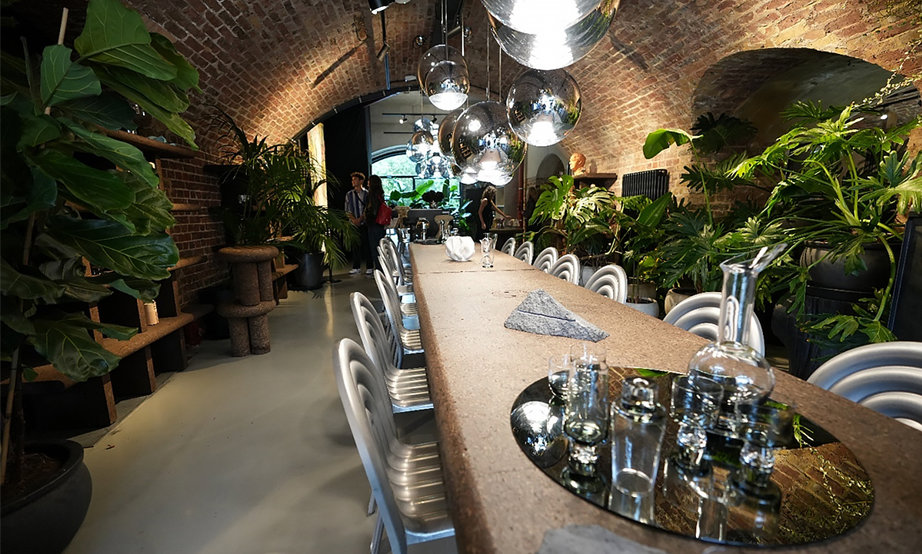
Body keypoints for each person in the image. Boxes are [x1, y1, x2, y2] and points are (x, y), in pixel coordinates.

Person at [344, 171, 372, 275]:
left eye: (355, 179)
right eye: (352, 180)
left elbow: (368, 209)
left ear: (361, 181)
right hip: (353, 224)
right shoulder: (349, 194)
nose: (353, 181)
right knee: (355, 246)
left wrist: (360, 219)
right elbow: (347, 210)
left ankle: (369, 266)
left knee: (366, 245)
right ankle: (356, 266)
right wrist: (354, 220)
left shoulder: (367, 193)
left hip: (364, 223)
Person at [363, 175, 390, 272]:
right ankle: (382, 267)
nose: (367, 183)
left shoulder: (371, 194)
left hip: (374, 223)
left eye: (369, 181)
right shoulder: (380, 194)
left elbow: (372, 210)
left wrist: (367, 218)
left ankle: (379, 269)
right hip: (380, 224)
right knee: (380, 246)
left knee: (375, 247)